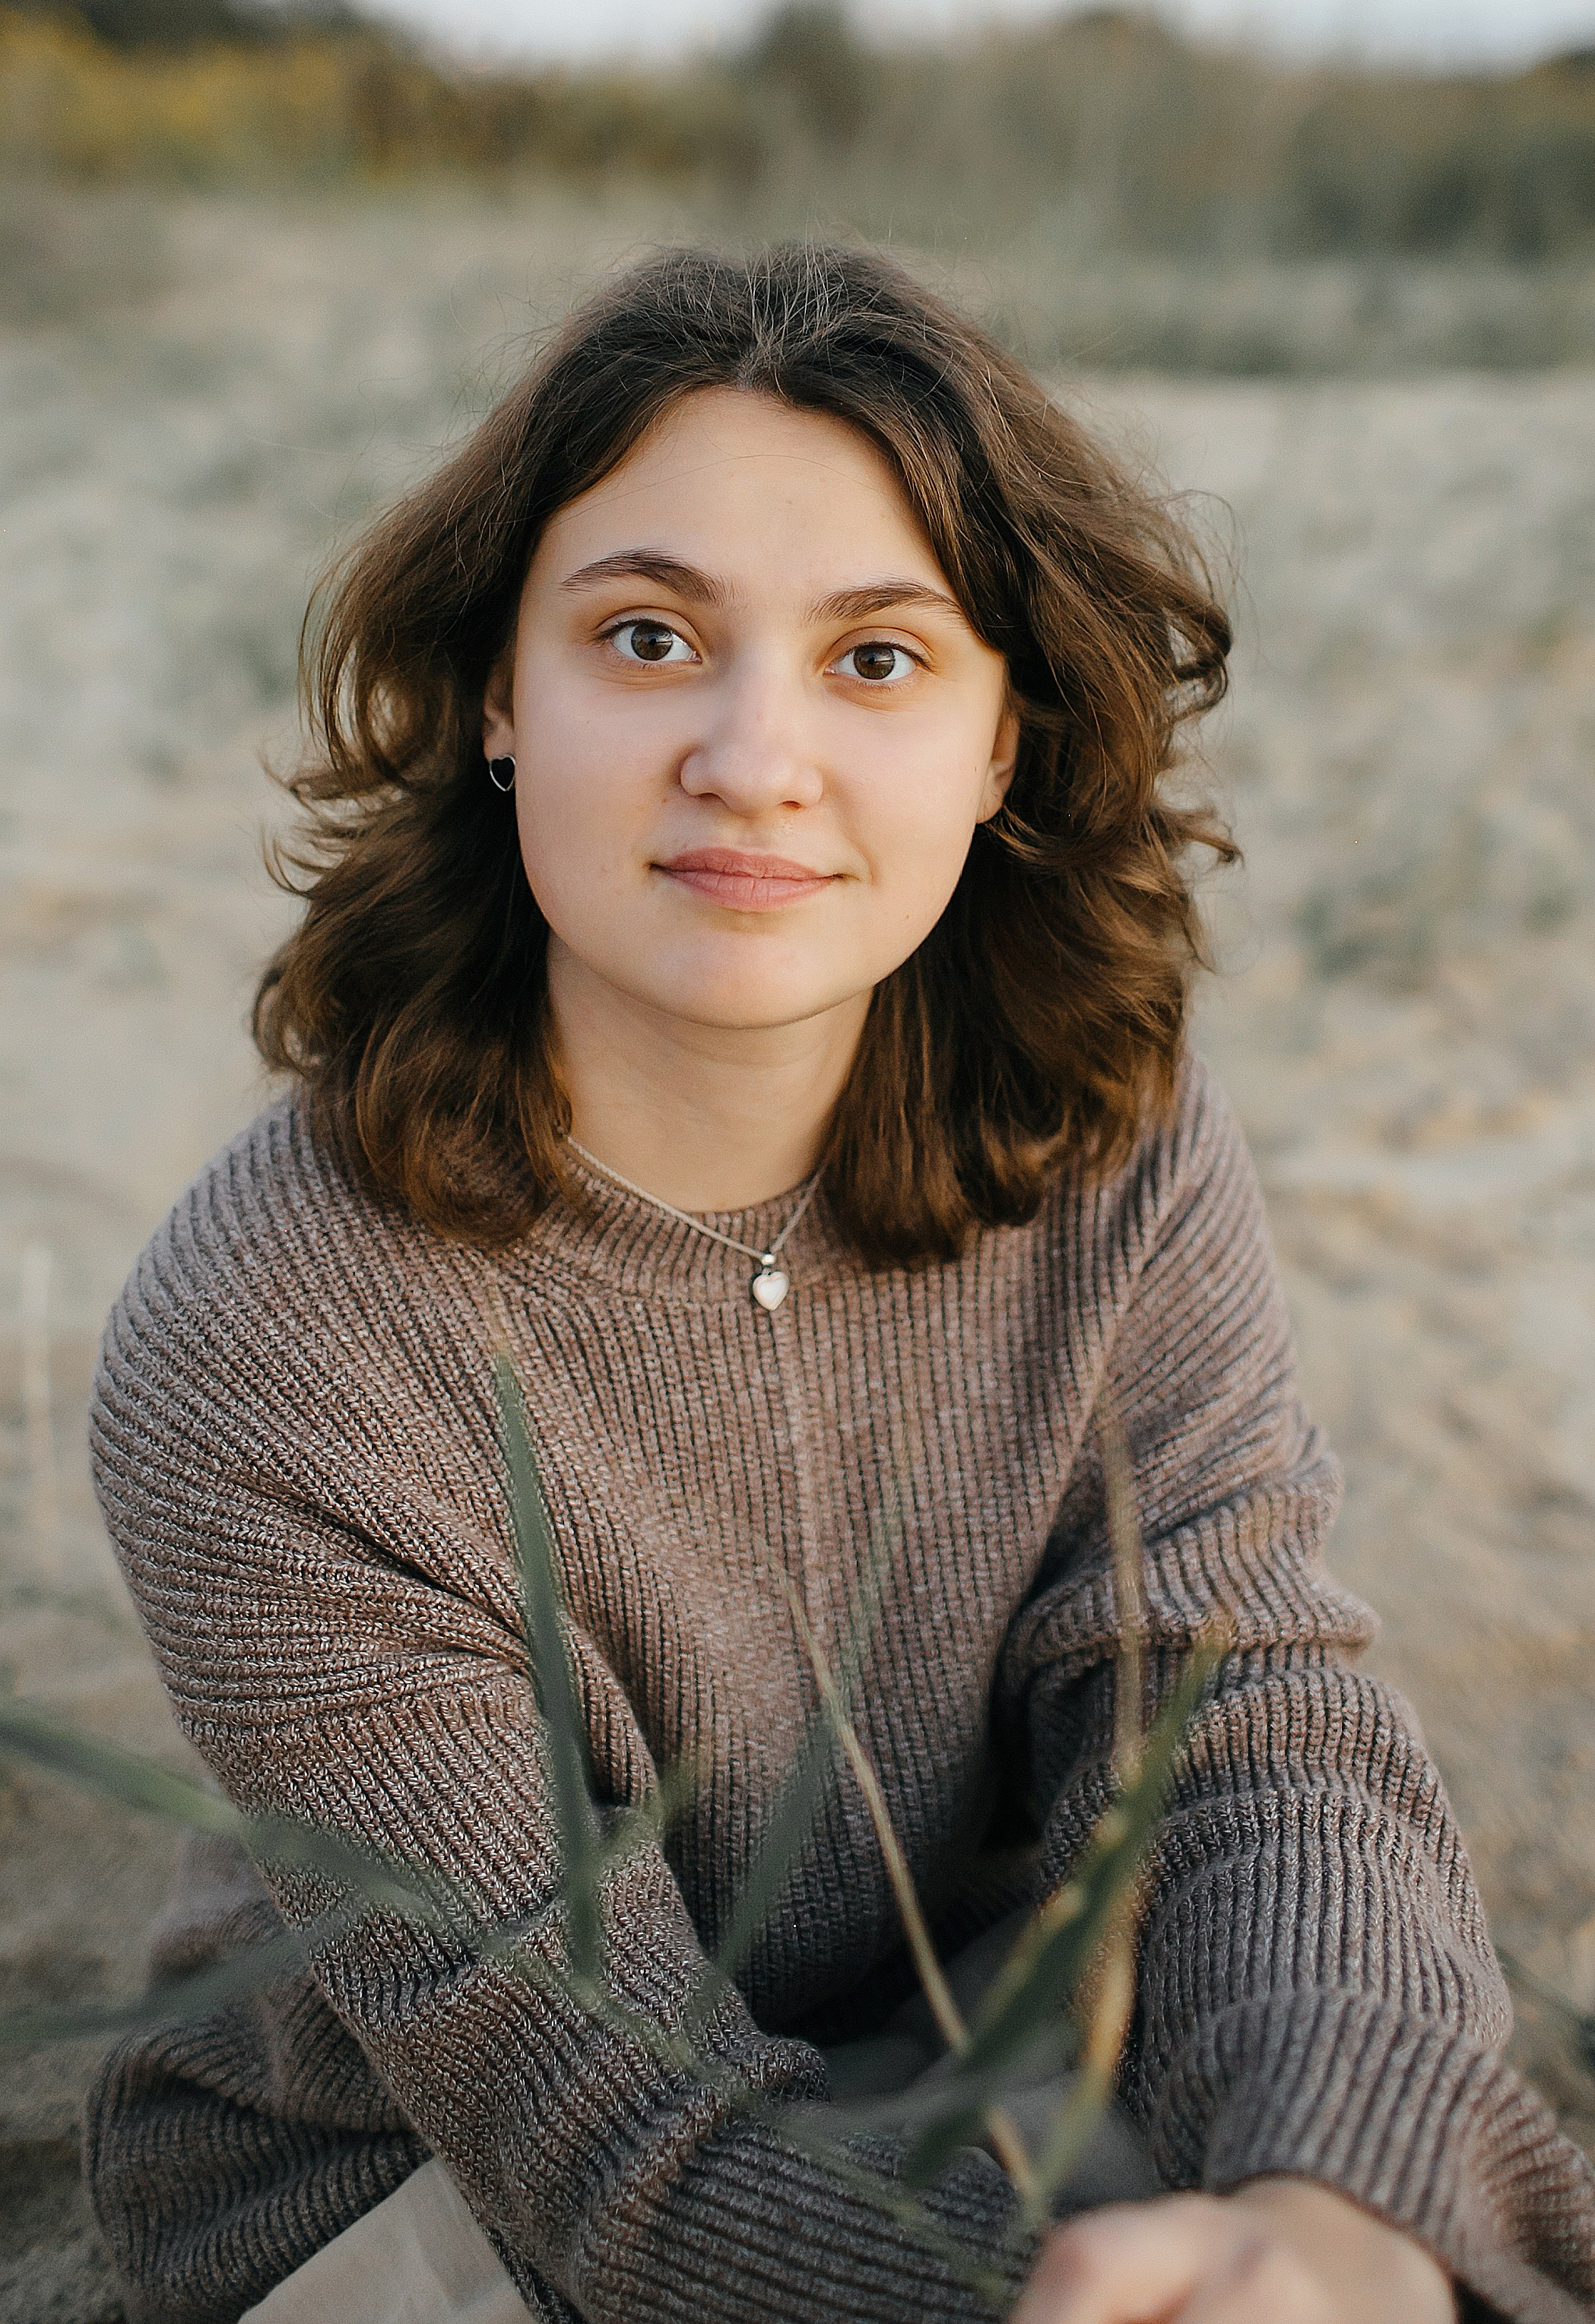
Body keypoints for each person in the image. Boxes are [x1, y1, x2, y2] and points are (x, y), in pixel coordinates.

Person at [84, 246, 1594, 2324]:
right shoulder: (270, 1338)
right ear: (500, 696)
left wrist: (1342, 2205)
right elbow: (601, 2116)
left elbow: (1232, 1716)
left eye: (877, 661)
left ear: (1000, 740)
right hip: (424, 2180)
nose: (752, 753)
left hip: (982, 2033)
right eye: (644, 636)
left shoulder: (1105, 1130)